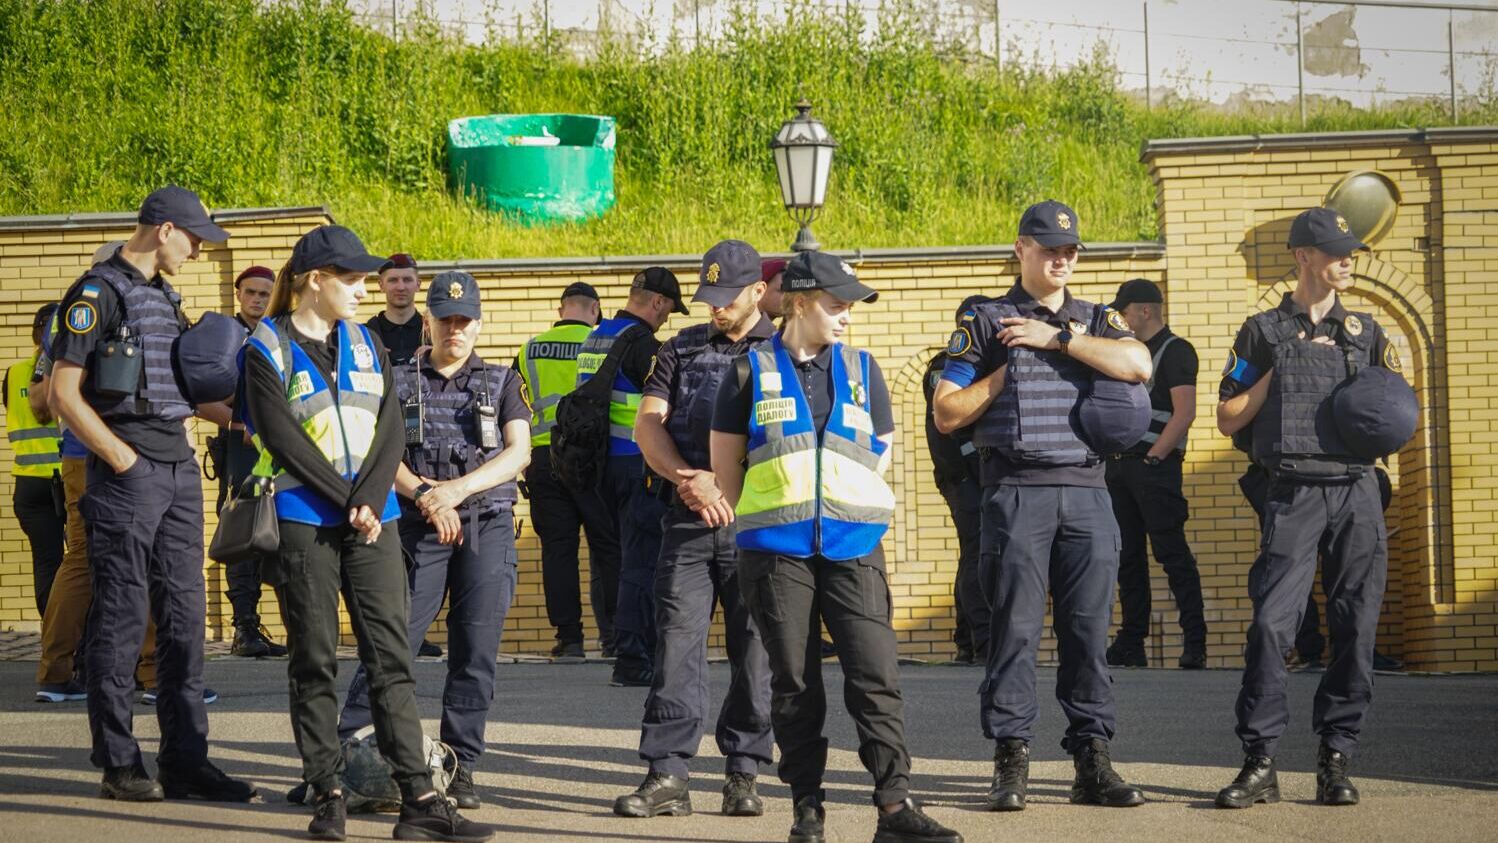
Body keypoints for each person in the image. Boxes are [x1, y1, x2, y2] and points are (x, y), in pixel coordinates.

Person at [241, 225, 490, 841]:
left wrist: (372, 498)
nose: (363, 288)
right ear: (315, 281)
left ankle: (422, 800)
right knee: (314, 658)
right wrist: (352, 498)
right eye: (351, 279)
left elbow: (390, 431)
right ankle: (327, 793)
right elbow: (281, 437)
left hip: (374, 518)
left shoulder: (368, 342)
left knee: (391, 658)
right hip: (305, 516)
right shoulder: (265, 346)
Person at [712, 250, 962, 843]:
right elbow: (725, 469)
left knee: (875, 676)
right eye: (837, 305)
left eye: (849, 306)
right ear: (799, 303)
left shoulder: (862, 367)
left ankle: (896, 808)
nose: (847, 316)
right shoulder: (748, 371)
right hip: (776, 552)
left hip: (854, 545)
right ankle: (807, 810)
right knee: (796, 685)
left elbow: (880, 452)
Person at [933, 200, 1151, 812]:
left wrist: (1060, 341)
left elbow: (1139, 364)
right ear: (1021, 248)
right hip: (1015, 491)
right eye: (1049, 247)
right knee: (1014, 633)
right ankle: (1011, 760)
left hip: (1087, 491)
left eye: (1071, 250)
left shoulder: (1095, 318)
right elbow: (946, 412)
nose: (1061, 258)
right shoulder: (983, 319)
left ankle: (1092, 760)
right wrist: (1012, 367)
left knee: (1087, 633)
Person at [49, 187, 252, 802]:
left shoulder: (166, 296)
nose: (196, 251)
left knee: (185, 620)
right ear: (164, 230)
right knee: (121, 616)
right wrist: (121, 458)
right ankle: (119, 762)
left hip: (178, 466)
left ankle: (186, 762)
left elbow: (190, 391)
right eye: (193, 240)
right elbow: (62, 393)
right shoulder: (96, 293)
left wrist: (256, 418)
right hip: (128, 470)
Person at [1214, 208, 1405, 810]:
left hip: (1355, 491)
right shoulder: (1263, 331)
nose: (1348, 260)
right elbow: (1227, 417)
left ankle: (1335, 758)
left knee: (1356, 627)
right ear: (1303, 256)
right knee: (1273, 626)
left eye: (1351, 251)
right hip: (1292, 491)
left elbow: (1392, 414)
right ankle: (1260, 762)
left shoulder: (1367, 333)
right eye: (1336, 251)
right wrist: (1282, 369)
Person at [336, 270, 532, 810]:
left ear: (478, 323)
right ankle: (340, 757)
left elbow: (518, 454)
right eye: (445, 319)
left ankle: (460, 765)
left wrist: (455, 491)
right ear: (429, 320)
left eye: (464, 319)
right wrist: (427, 496)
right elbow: (379, 455)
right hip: (419, 528)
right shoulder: (396, 382)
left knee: (474, 651)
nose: (455, 329)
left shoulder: (502, 381)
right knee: (392, 642)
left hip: (485, 526)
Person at [612, 240, 774, 819]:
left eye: (725, 298)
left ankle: (744, 772)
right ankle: (668, 775)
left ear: (758, 291)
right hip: (686, 515)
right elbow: (648, 424)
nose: (714, 308)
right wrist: (690, 479)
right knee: (676, 646)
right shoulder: (679, 348)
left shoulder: (781, 352)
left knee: (753, 650)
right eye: (708, 298)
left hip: (755, 524)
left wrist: (726, 489)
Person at [34, 242, 163, 705]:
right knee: (142, 554)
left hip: (78, 452)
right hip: (114, 450)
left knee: (82, 561)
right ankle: (150, 675)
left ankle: (56, 672)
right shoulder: (109, 302)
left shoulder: (65, 314)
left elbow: (44, 390)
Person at [578, 267, 687, 687]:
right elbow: (665, 402)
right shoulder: (643, 345)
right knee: (642, 562)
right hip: (635, 464)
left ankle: (621, 645)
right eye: (668, 311)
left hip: (600, 465)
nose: (666, 320)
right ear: (657, 302)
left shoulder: (596, 335)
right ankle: (633, 657)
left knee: (619, 560)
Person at [1102, 278, 1208, 670]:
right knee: (1127, 558)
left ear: (1145, 310)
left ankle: (1194, 643)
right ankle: (1132, 641)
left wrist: (1153, 457)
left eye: (1126, 312)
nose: (1123, 320)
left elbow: (1185, 412)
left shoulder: (1175, 350)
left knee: (1171, 554)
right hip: (1119, 468)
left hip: (1154, 469)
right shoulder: (1128, 352)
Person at [515, 282, 621, 658]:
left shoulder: (530, 349)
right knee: (607, 547)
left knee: (558, 550)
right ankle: (614, 637)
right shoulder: (603, 345)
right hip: (593, 460)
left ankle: (569, 638)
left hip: (544, 459)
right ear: (594, 310)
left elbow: (517, 403)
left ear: (562, 310)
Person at [216, 265, 287, 658]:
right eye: (252, 292)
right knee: (244, 536)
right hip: (243, 453)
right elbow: (204, 395)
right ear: (239, 294)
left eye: (265, 293)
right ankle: (245, 629)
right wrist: (240, 420)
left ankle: (293, 625)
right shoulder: (226, 338)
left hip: (279, 452)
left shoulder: (280, 334)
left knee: (282, 536)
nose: (258, 299)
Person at [922, 295, 992, 665]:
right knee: (977, 551)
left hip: (976, 475)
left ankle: (968, 639)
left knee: (975, 553)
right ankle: (981, 642)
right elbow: (954, 422)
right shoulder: (947, 365)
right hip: (963, 476)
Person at [6, 303, 65, 616]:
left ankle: (53, 636)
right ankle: (80, 640)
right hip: (68, 479)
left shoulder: (13, 373)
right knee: (85, 564)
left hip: (29, 484)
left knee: (47, 562)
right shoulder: (67, 369)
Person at [367, 252, 424, 367]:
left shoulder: (432, 332)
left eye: (407, 280)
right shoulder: (367, 334)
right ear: (381, 285)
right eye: (393, 280)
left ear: (418, 285)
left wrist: (437, 355)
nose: (401, 287)